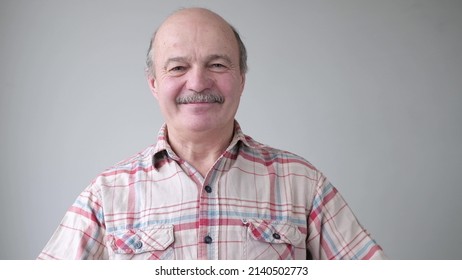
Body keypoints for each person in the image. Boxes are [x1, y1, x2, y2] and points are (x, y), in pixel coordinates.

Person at [38, 7, 386, 260]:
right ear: (154, 84)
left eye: (217, 64)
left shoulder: (303, 184)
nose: (198, 82)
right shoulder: (106, 195)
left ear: (241, 80)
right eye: (178, 67)